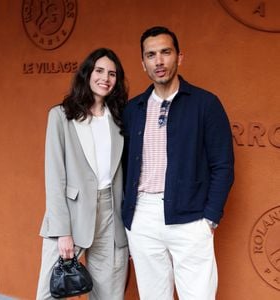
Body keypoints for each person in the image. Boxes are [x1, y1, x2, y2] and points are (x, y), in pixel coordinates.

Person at [122, 26, 234, 300]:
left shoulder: (205, 104)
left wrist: (209, 218)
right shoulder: (133, 109)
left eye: (165, 52)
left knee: (198, 295)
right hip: (142, 217)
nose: (158, 61)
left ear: (179, 57)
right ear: (143, 63)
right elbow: (124, 163)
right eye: (151, 55)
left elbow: (223, 165)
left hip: (191, 218)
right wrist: (130, 215)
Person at [36, 48, 129, 300]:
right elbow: (54, 178)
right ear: (87, 74)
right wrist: (62, 231)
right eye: (99, 71)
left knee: (109, 293)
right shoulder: (60, 116)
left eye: (112, 74)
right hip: (71, 212)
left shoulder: (120, 118)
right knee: (49, 294)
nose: (105, 78)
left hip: (111, 214)